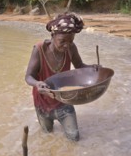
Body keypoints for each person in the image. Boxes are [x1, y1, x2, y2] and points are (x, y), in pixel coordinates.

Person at [25, 12, 98, 141]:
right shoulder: (39, 49)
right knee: (48, 136)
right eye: (62, 41)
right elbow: (29, 76)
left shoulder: (71, 48)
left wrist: (92, 67)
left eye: (70, 41)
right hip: (43, 103)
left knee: (74, 137)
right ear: (53, 36)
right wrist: (37, 84)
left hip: (64, 101)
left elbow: (80, 65)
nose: (66, 45)